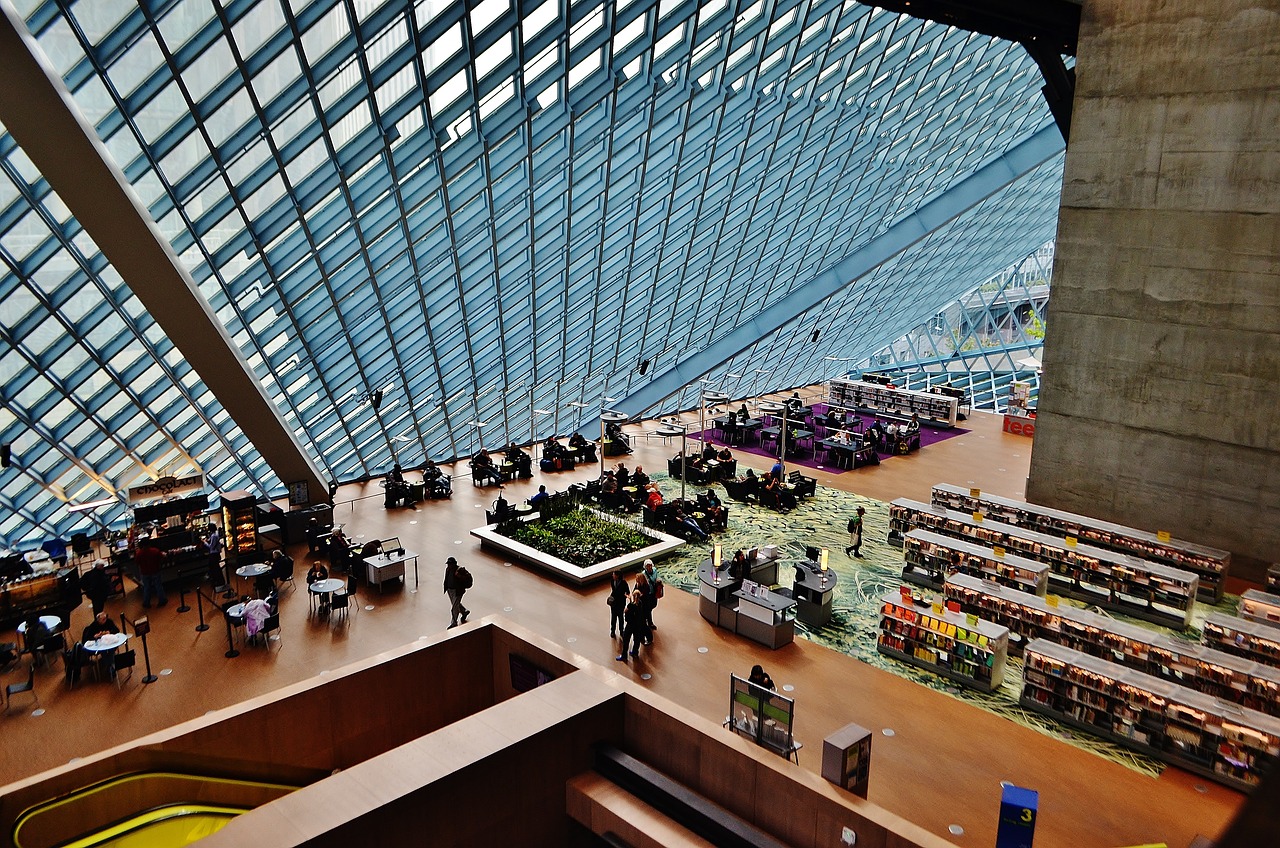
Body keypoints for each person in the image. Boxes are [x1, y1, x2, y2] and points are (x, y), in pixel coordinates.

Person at [615, 590, 648, 661]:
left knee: (626, 639)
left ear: (633, 596)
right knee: (636, 639)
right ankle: (635, 652)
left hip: (630, 625)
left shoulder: (630, 605)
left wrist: (629, 601)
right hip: (637, 625)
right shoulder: (640, 603)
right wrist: (630, 600)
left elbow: (625, 610)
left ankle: (624, 656)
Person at [135, 537, 167, 608]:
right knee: (158, 586)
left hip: (145, 573)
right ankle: (162, 600)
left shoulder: (139, 553)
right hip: (155, 571)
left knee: (146, 588)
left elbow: (137, 562)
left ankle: (146, 603)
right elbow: (161, 557)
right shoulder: (155, 551)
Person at [443, 556, 471, 628]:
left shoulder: (460, 570)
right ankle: (464, 612)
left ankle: (454, 622)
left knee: (454, 608)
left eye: (450, 564)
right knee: (456, 604)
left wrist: (459, 576)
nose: (448, 565)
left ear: (454, 564)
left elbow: (466, 578)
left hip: (457, 591)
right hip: (450, 590)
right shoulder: (448, 569)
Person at [641, 559, 663, 635]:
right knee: (648, 608)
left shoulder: (655, 570)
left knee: (653, 605)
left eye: (650, 565)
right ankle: (649, 622)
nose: (649, 567)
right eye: (647, 566)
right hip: (648, 593)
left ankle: (647, 617)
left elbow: (657, 577)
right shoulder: (643, 574)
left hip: (654, 591)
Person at [607, 571, 629, 638]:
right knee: (613, 617)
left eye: (613, 575)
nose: (612, 576)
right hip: (614, 603)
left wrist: (625, 595)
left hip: (621, 603)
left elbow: (627, 591)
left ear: (617, 576)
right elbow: (613, 590)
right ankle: (612, 631)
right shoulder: (612, 581)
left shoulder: (624, 583)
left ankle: (621, 631)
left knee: (620, 618)